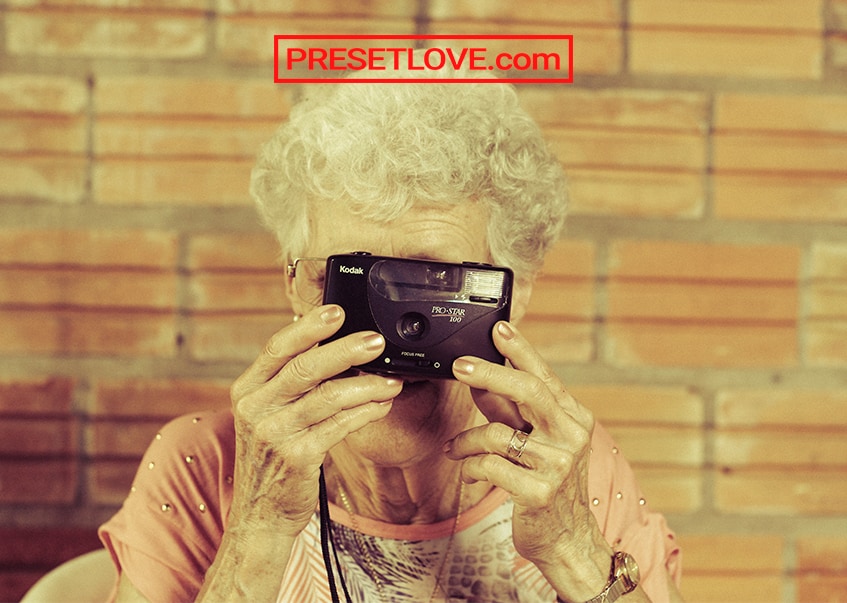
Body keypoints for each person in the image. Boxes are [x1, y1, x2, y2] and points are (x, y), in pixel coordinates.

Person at [98, 66, 683, 603]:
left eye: (431, 282)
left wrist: (572, 549)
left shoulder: (562, 468)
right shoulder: (202, 466)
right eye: (347, 283)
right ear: (296, 287)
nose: (387, 335)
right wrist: (258, 527)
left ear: (516, 292)